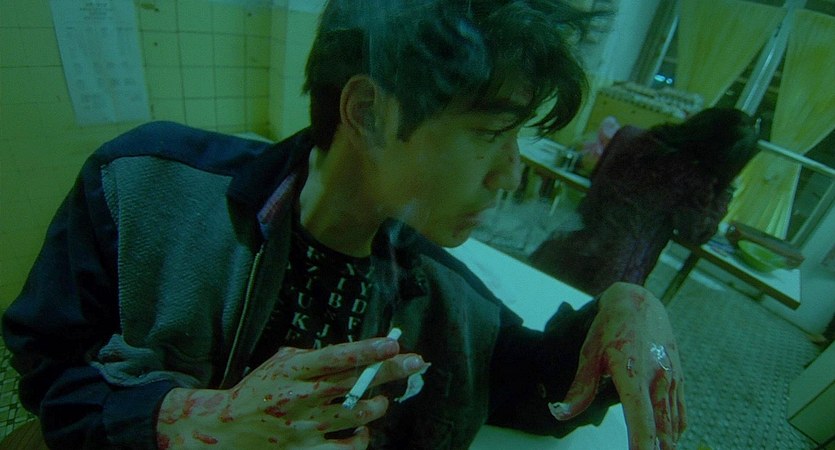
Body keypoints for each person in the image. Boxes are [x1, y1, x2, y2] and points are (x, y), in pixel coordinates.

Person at [2, 1, 686, 448]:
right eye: (489, 134)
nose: (508, 175)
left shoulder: (440, 288)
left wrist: (623, 307)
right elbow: (49, 370)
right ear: (368, 113)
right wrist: (187, 421)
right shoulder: (144, 183)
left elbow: (529, 382)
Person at [530, 107, 760, 296]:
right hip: (612, 274)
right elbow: (696, 234)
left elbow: (596, 176)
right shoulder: (696, 180)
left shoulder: (628, 135)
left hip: (566, 243)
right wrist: (724, 190)